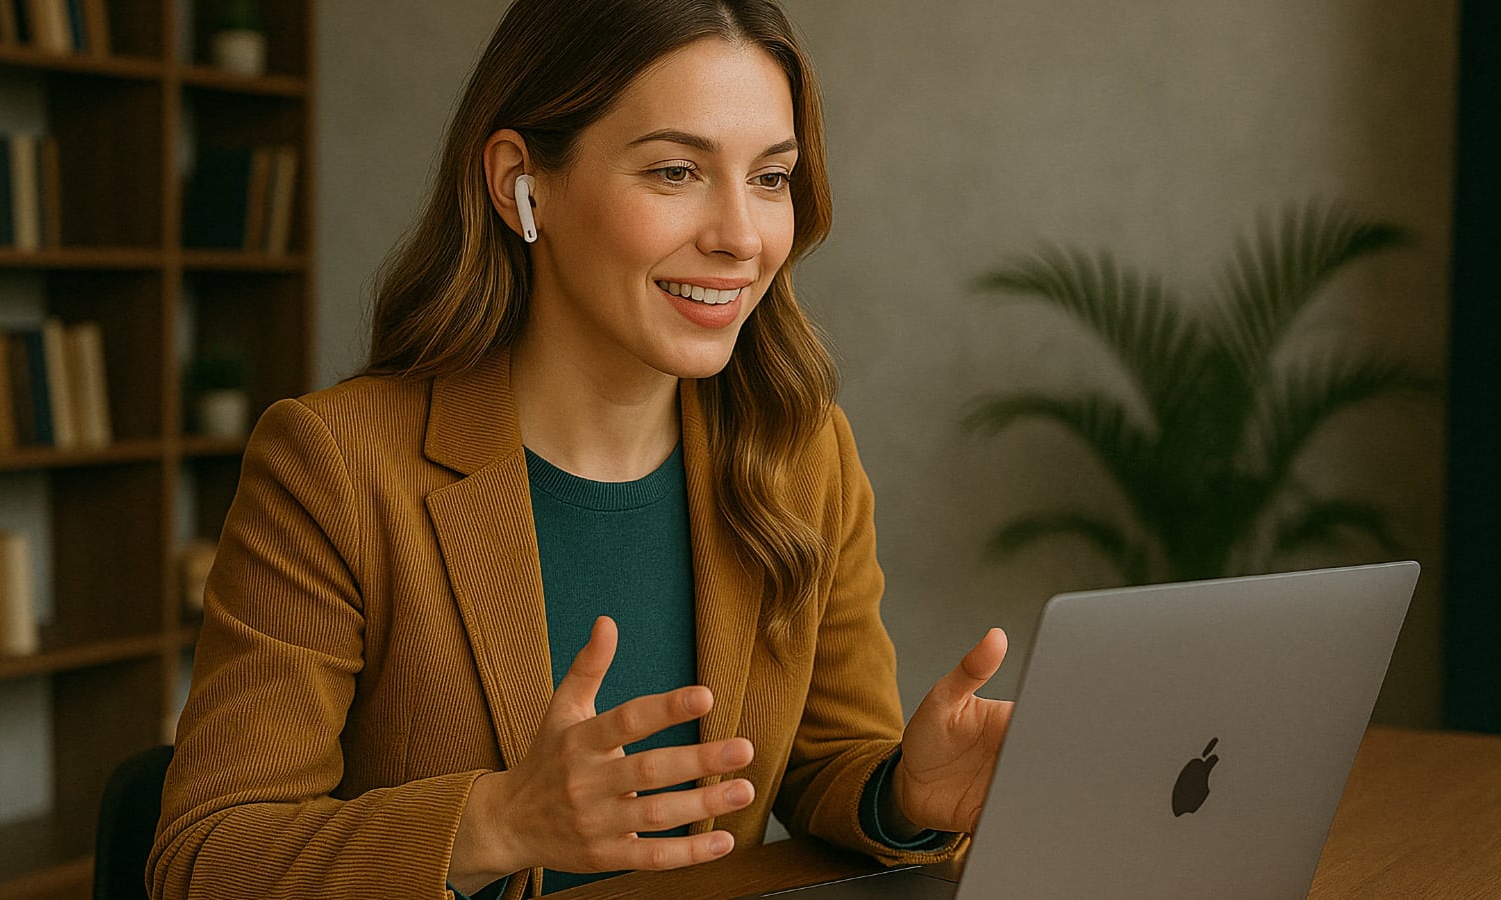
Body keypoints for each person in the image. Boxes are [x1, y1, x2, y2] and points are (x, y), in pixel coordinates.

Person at [148, 1, 1014, 897]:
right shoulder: (333, 465)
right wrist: (500, 821)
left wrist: (903, 793)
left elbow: (827, 759)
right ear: (522, 182)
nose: (742, 237)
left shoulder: (802, 455)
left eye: (771, 177)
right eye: (677, 171)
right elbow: (207, 860)